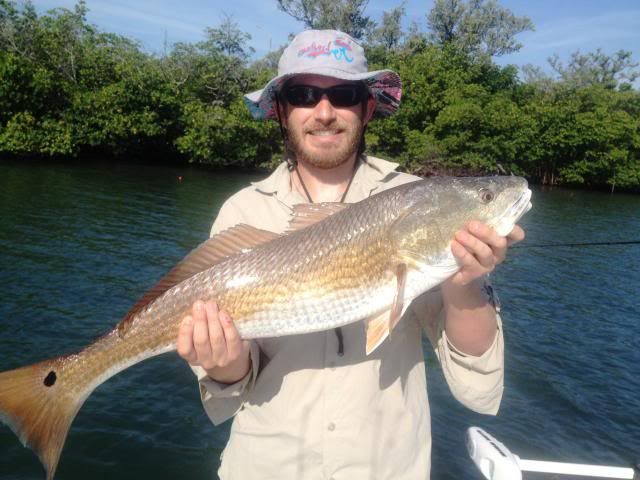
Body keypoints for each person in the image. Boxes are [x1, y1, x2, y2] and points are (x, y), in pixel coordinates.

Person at [176, 29, 525, 479]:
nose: (324, 112)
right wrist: (224, 364)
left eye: (342, 94)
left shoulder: (418, 200)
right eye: (304, 94)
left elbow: (476, 384)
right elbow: (229, 390)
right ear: (281, 112)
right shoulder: (242, 212)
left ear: (366, 107)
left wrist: (466, 284)